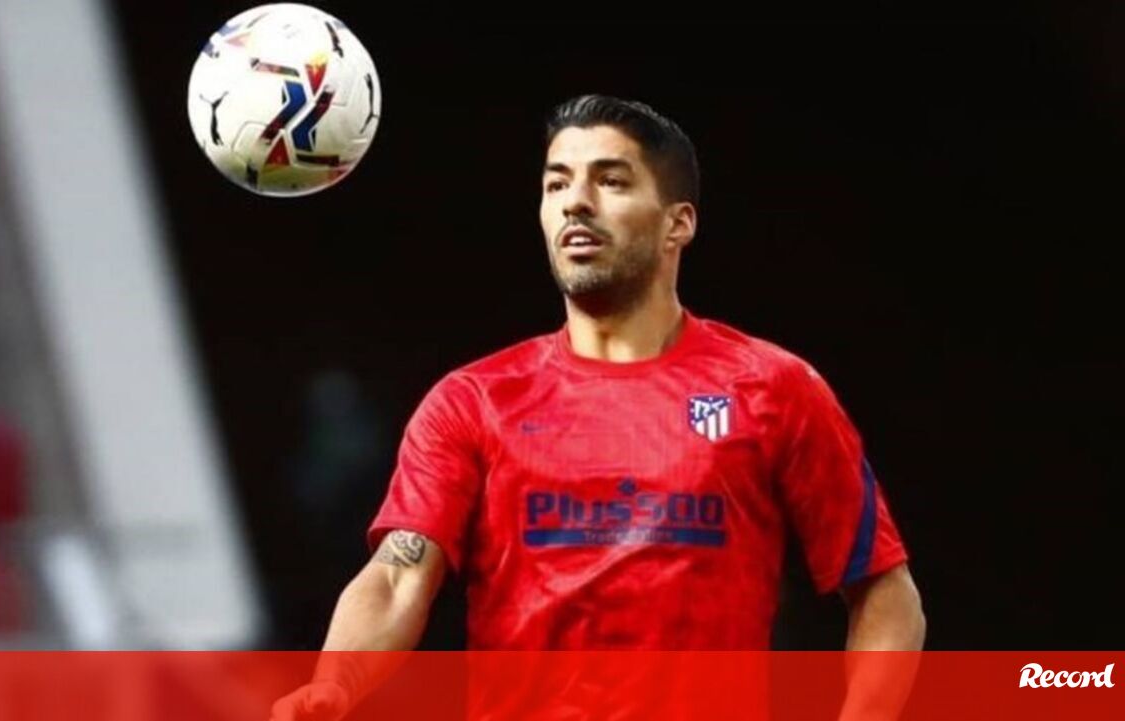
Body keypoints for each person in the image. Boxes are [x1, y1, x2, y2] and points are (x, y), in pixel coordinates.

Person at [270, 94, 925, 720]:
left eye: (610, 181)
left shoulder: (774, 388)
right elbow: (397, 576)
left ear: (678, 223)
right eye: (556, 184)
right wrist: (334, 686)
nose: (575, 202)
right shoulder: (472, 401)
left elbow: (884, 590)